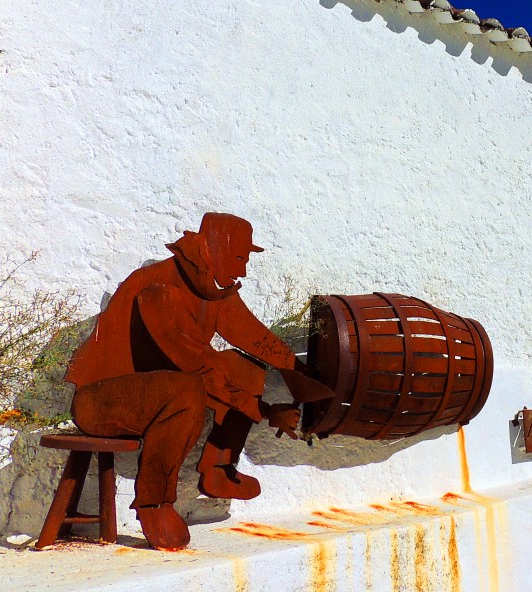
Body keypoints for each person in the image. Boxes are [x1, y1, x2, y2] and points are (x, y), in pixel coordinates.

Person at [64, 212, 332, 550]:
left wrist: (298, 370)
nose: (243, 270)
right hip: (100, 401)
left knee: (242, 366)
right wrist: (265, 411)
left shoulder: (209, 289)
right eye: (238, 258)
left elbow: (252, 335)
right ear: (213, 247)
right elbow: (199, 370)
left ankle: (218, 467)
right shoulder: (159, 289)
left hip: (153, 393)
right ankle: (154, 503)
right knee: (187, 388)